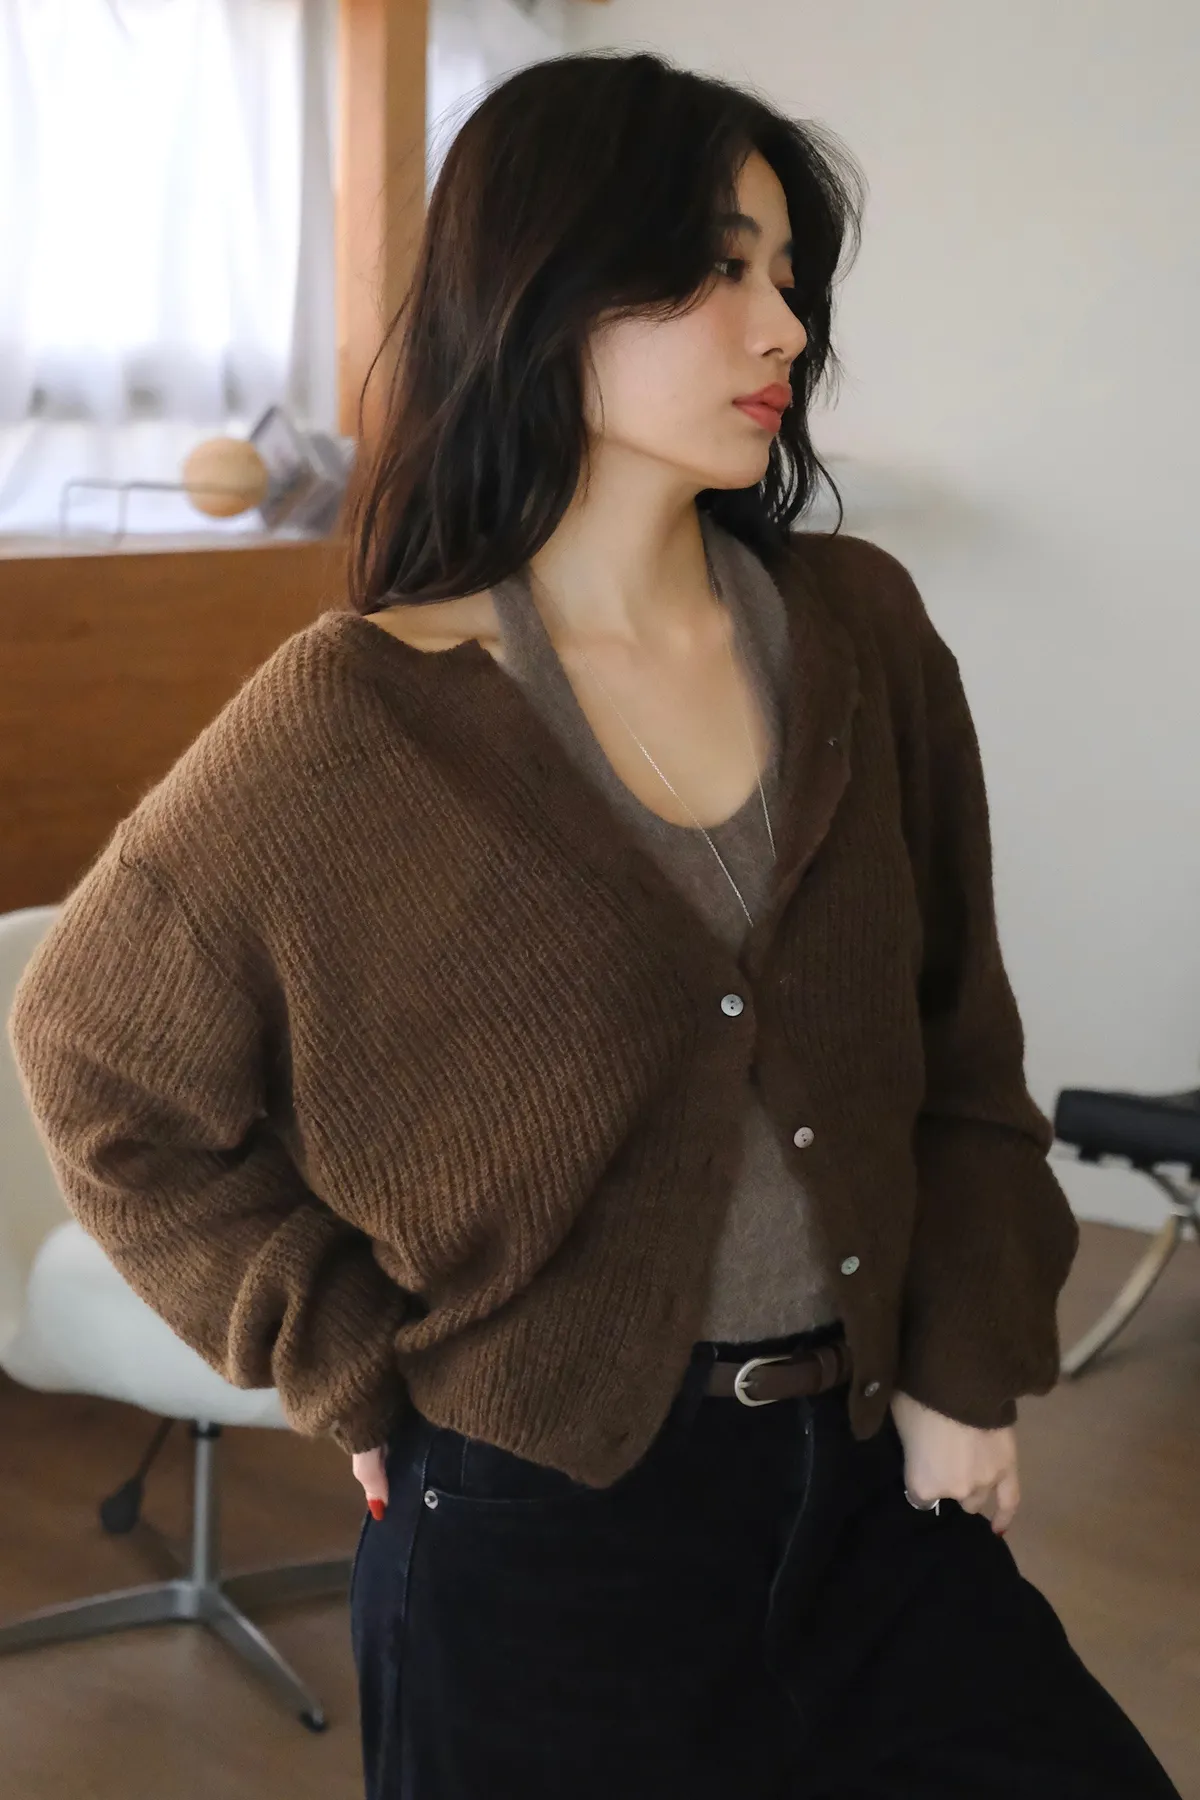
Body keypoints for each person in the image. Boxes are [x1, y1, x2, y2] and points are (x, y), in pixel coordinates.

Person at [7, 47, 1182, 1800]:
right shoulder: (356, 714)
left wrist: (965, 1369)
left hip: (875, 1483)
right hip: (536, 1537)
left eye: (791, 278)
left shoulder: (859, 633)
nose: (784, 327)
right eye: (719, 270)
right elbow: (94, 1057)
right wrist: (341, 1359)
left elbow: (962, 1041)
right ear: (545, 288)